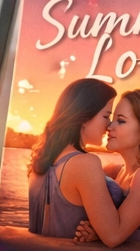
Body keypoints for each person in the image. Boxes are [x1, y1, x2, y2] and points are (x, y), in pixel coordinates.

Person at [75, 89, 140, 245]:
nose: (109, 126)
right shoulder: (116, 171)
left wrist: (98, 231)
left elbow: (113, 237)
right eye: (111, 119)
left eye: (121, 120)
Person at [25, 78, 122, 239]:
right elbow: (112, 235)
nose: (110, 125)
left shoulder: (43, 160)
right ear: (84, 117)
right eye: (106, 116)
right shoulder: (85, 163)